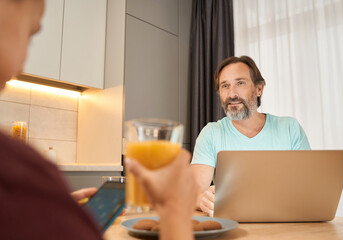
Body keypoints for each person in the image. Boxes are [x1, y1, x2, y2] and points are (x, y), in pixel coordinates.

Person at [0, 0, 197, 239]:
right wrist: (175, 211)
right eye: (31, 32)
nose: (23, 60)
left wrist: (47, 213)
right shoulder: (16, 170)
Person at [191, 56, 311, 217]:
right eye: (225, 86)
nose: (232, 94)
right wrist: (203, 200)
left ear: (259, 89)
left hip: (285, 222)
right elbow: (193, 194)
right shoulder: (211, 133)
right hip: (232, 225)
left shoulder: (290, 128)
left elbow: (308, 188)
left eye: (240, 83)